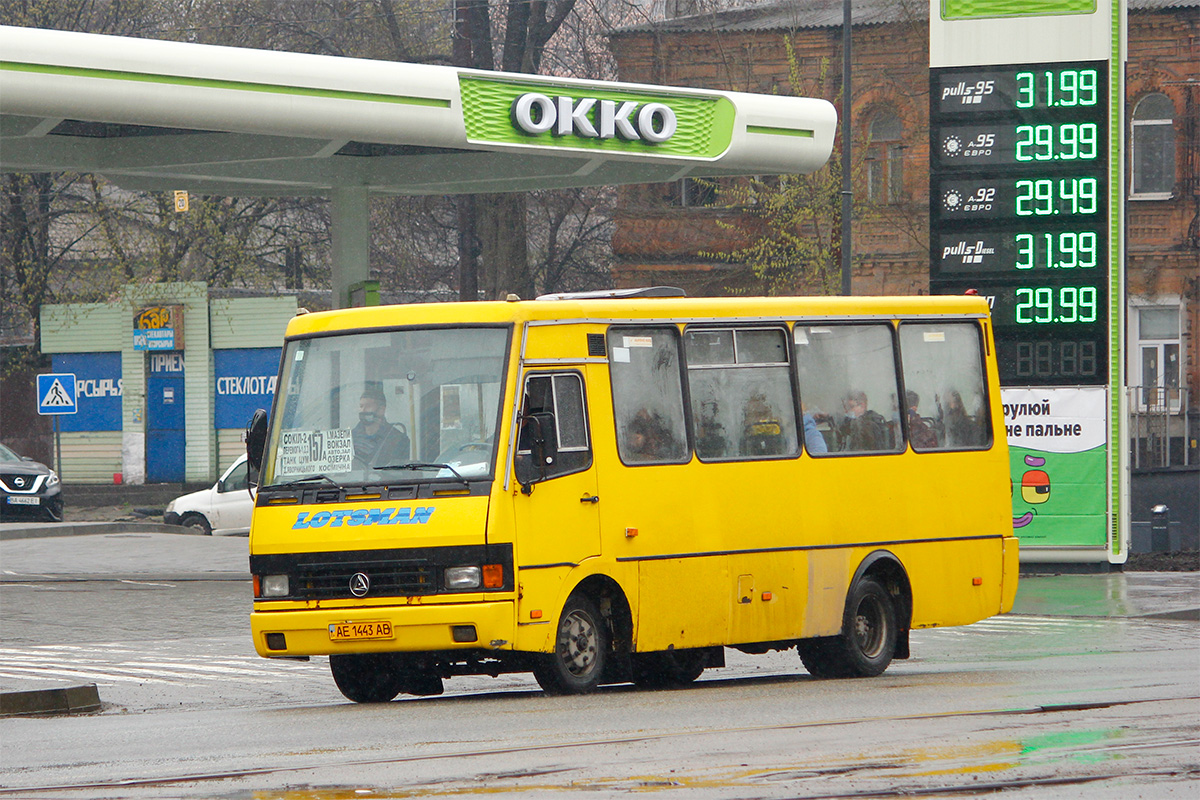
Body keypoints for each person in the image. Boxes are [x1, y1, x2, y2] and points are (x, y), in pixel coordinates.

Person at [352, 386, 410, 468]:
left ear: (381, 410)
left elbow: (402, 474)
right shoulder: (349, 439)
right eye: (361, 406)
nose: (363, 410)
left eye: (368, 406)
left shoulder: (398, 440)